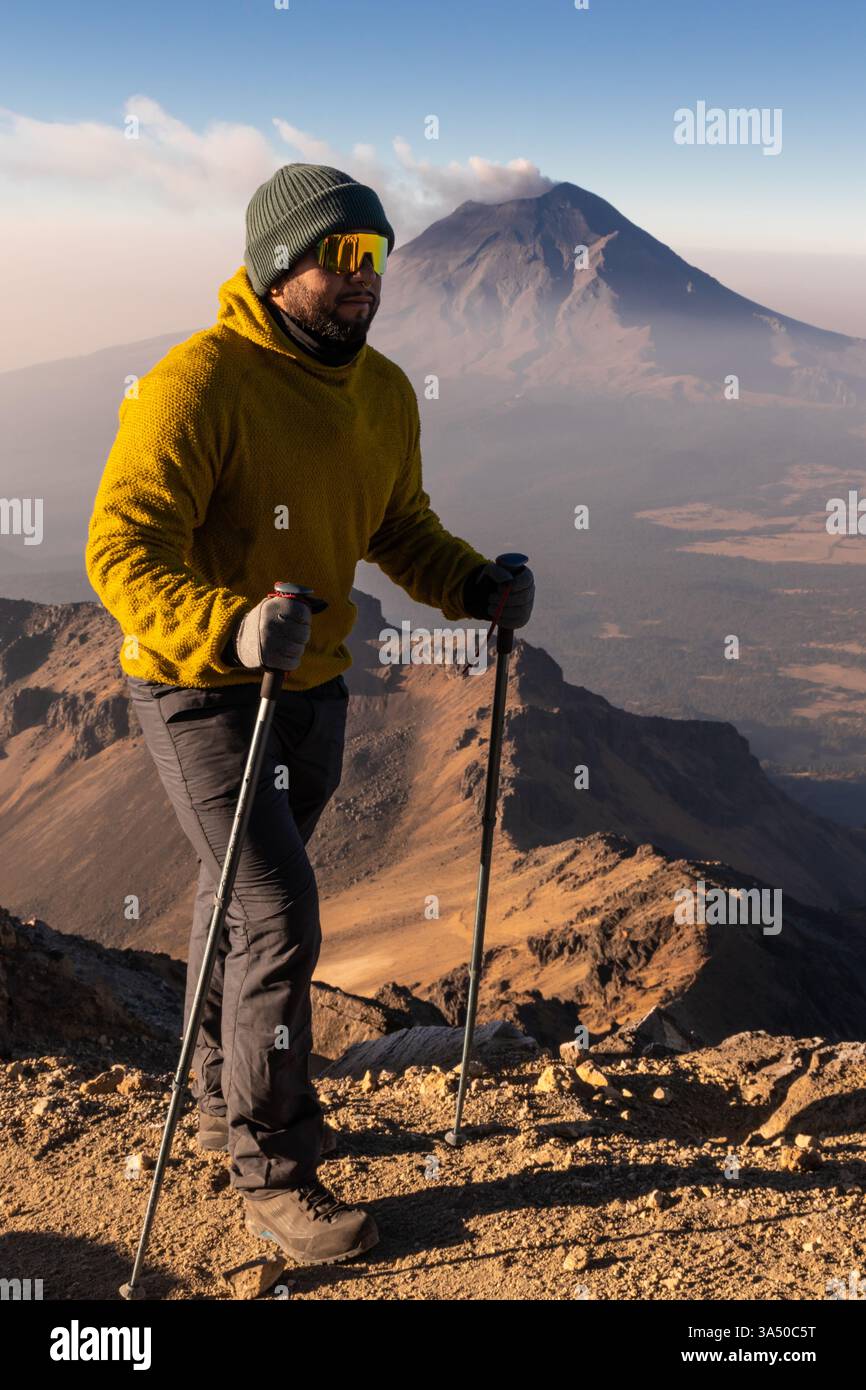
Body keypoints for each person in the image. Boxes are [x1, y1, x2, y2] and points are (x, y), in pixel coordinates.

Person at [85, 163, 535, 1265]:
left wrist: (474, 584)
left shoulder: (380, 392)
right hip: (198, 687)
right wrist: (229, 625)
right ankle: (273, 1174)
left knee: (229, 904)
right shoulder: (198, 382)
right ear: (276, 267)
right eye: (337, 258)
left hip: (311, 690)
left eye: (374, 257)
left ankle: (216, 1097)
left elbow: (399, 526)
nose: (360, 279)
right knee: (278, 906)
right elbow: (119, 547)